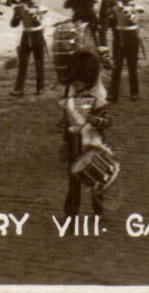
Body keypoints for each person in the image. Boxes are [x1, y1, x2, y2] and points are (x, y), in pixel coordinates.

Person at [61, 50, 112, 220]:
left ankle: (98, 210)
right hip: (75, 144)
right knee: (74, 181)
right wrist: (65, 143)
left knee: (96, 178)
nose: (76, 85)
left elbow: (108, 122)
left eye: (79, 82)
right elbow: (67, 124)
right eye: (75, 82)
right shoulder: (70, 99)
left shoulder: (98, 99)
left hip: (93, 143)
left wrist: (94, 119)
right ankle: (71, 214)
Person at [10, 0, 47, 96]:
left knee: (38, 63)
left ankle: (39, 87)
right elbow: (13, 24)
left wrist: (27, 12)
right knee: (24, 63)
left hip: (36, 35)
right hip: (27, 36)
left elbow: (38, 22)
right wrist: (17, 15)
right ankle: (20, 88)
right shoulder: (21, 8)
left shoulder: (39, 9)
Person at [109, 0, 141, 101]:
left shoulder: (135, 7)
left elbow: (133, 20)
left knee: (132, 66)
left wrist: (121, 9)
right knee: (116, 68)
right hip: (119, 38)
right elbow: (111, 22)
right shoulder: (116, 8)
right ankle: (114, 93)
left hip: (132, 37)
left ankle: (134, 92)